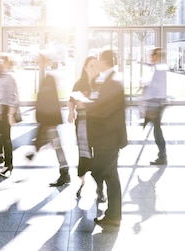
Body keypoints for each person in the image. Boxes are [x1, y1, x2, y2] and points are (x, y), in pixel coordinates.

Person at [73, 50, 127, 228]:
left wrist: (85, 104)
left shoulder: (112, 81)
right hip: (107, 137)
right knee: (108, 174)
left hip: (108, 138)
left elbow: (104, 109)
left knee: (107, 174)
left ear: (105, 62)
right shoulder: (111, 80)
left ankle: (114, 216)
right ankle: (113, 215)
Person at [26, 51, 70, 187]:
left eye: (40, 61)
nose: (38, 63)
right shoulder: (47, 78)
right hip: (48, 120)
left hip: (49, 121)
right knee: (55, 144)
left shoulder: (49, 78)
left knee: (56, 146)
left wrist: (49, 121)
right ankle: (63, 171)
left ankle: (65, 173)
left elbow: (51, 101)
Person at [68, 56, 106, 202]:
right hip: (83, 123)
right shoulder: (79, 83)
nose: (94, 68)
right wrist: (71, 111)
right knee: (84, 153)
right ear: (85, 67)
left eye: (96, 66)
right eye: (91, 66)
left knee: (99, 155)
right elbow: (71, 101)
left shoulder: (101, 84)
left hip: (98, 123)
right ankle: (82, 182)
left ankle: (100, 189)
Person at [0, 56, 19, 178]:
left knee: (6, 138)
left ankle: (8, 164)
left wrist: (10, 114)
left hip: (5, 111)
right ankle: (2, 158)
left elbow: (13, 97)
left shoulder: (8, 77)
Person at [142, 48, 168, 165]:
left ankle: (162, 156)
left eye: (152, 55)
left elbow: (158, 89)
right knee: (157, 130)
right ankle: (162, 155)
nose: (150, 57)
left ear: (157, 56)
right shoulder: (156, 68)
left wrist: (153, 108)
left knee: (157, 131)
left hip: (156, 104)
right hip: (155, 103)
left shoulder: (159, 69)